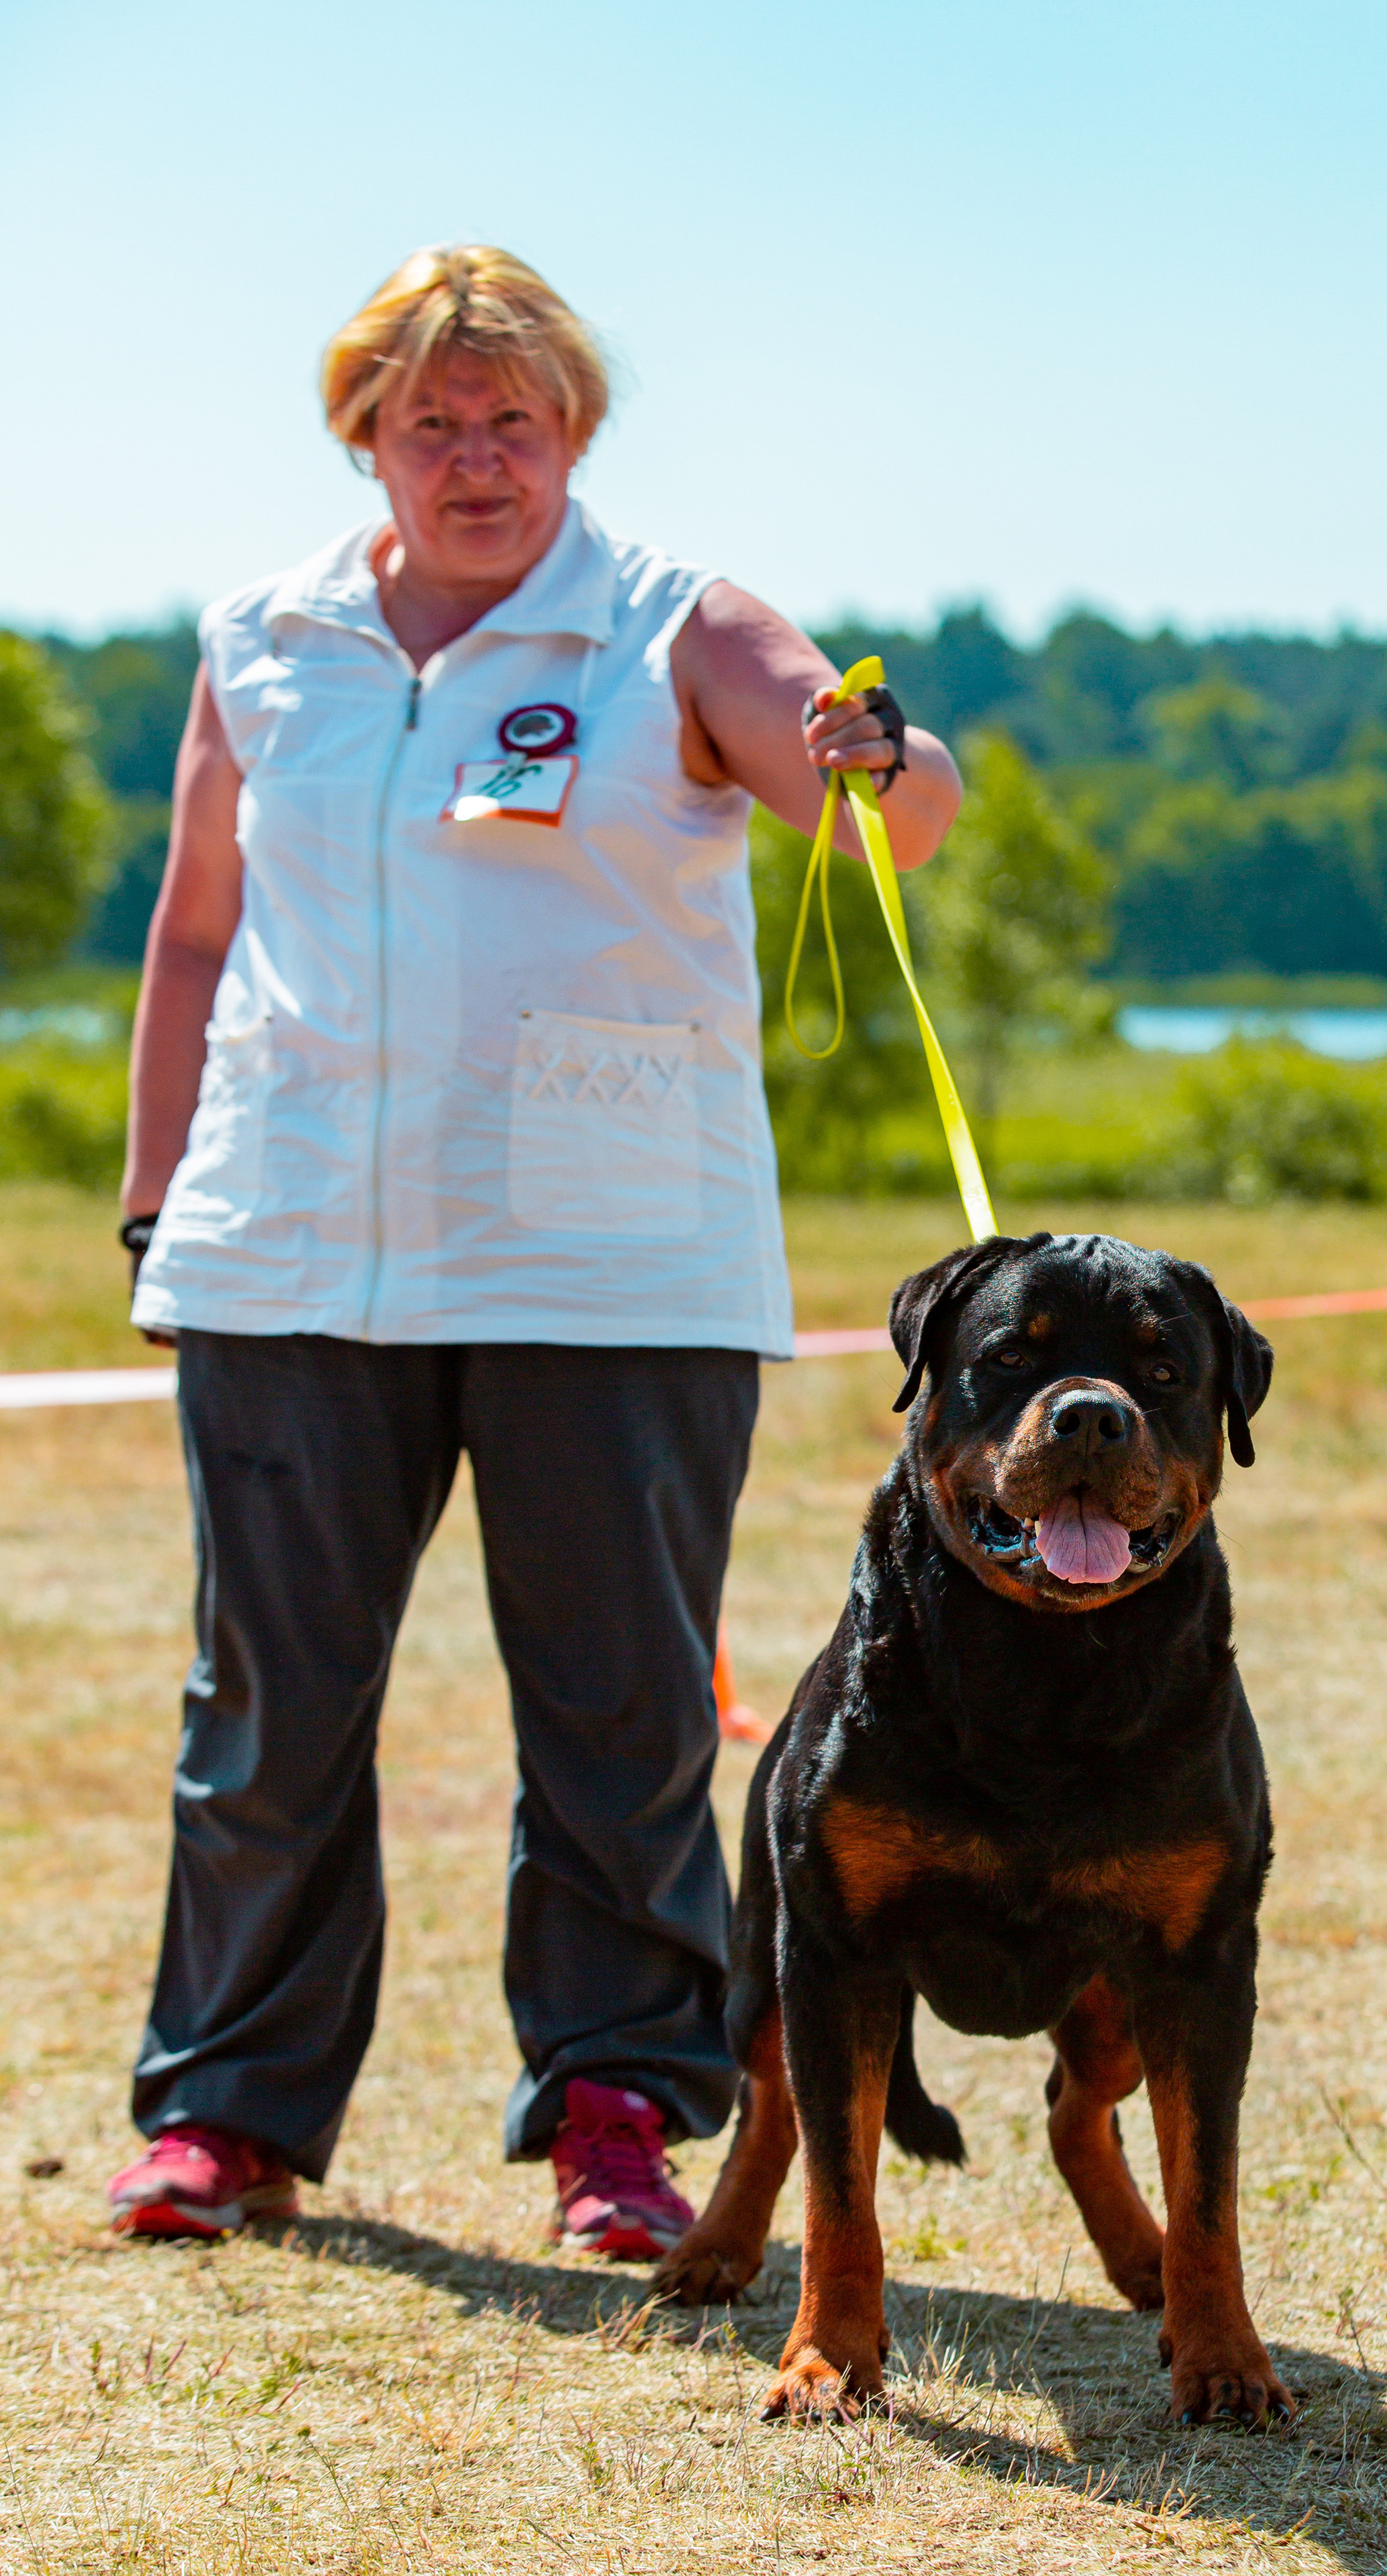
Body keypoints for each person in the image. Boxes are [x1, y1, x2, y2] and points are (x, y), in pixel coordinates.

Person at [105, 244, 960, 2253]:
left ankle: (616, 2115)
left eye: (517, 421)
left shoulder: (675, 618)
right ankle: (225, 2119)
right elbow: (195, 936)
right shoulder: (269, 636)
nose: (477, 460)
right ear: (368, 440)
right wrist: (163, 1201)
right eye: (434, 425)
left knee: (620, 1716)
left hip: (611, 1261)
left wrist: (877, 759)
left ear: (574, 433)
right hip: (290, 1246)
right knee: (266, 1715)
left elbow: (885, 806)